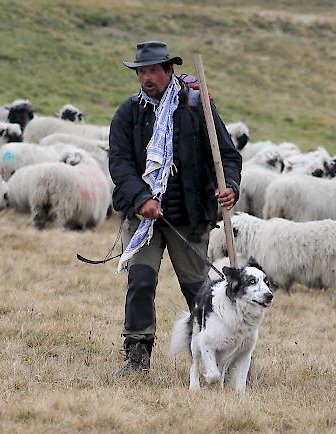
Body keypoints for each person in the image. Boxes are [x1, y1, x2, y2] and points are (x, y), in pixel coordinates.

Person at [109, 41, 242, 376]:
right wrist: (142, 198)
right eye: (142, 71)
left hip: (190, 216)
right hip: (144, 219)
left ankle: (218, 356)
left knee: (199, 290)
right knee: (140, 280)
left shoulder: (198, 108)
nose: (147, 77)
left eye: (154, 70)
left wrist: (230, 187)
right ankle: (137, 355)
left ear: (168, 71)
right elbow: (120, 163)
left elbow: (226, 155)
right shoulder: (129, 113)